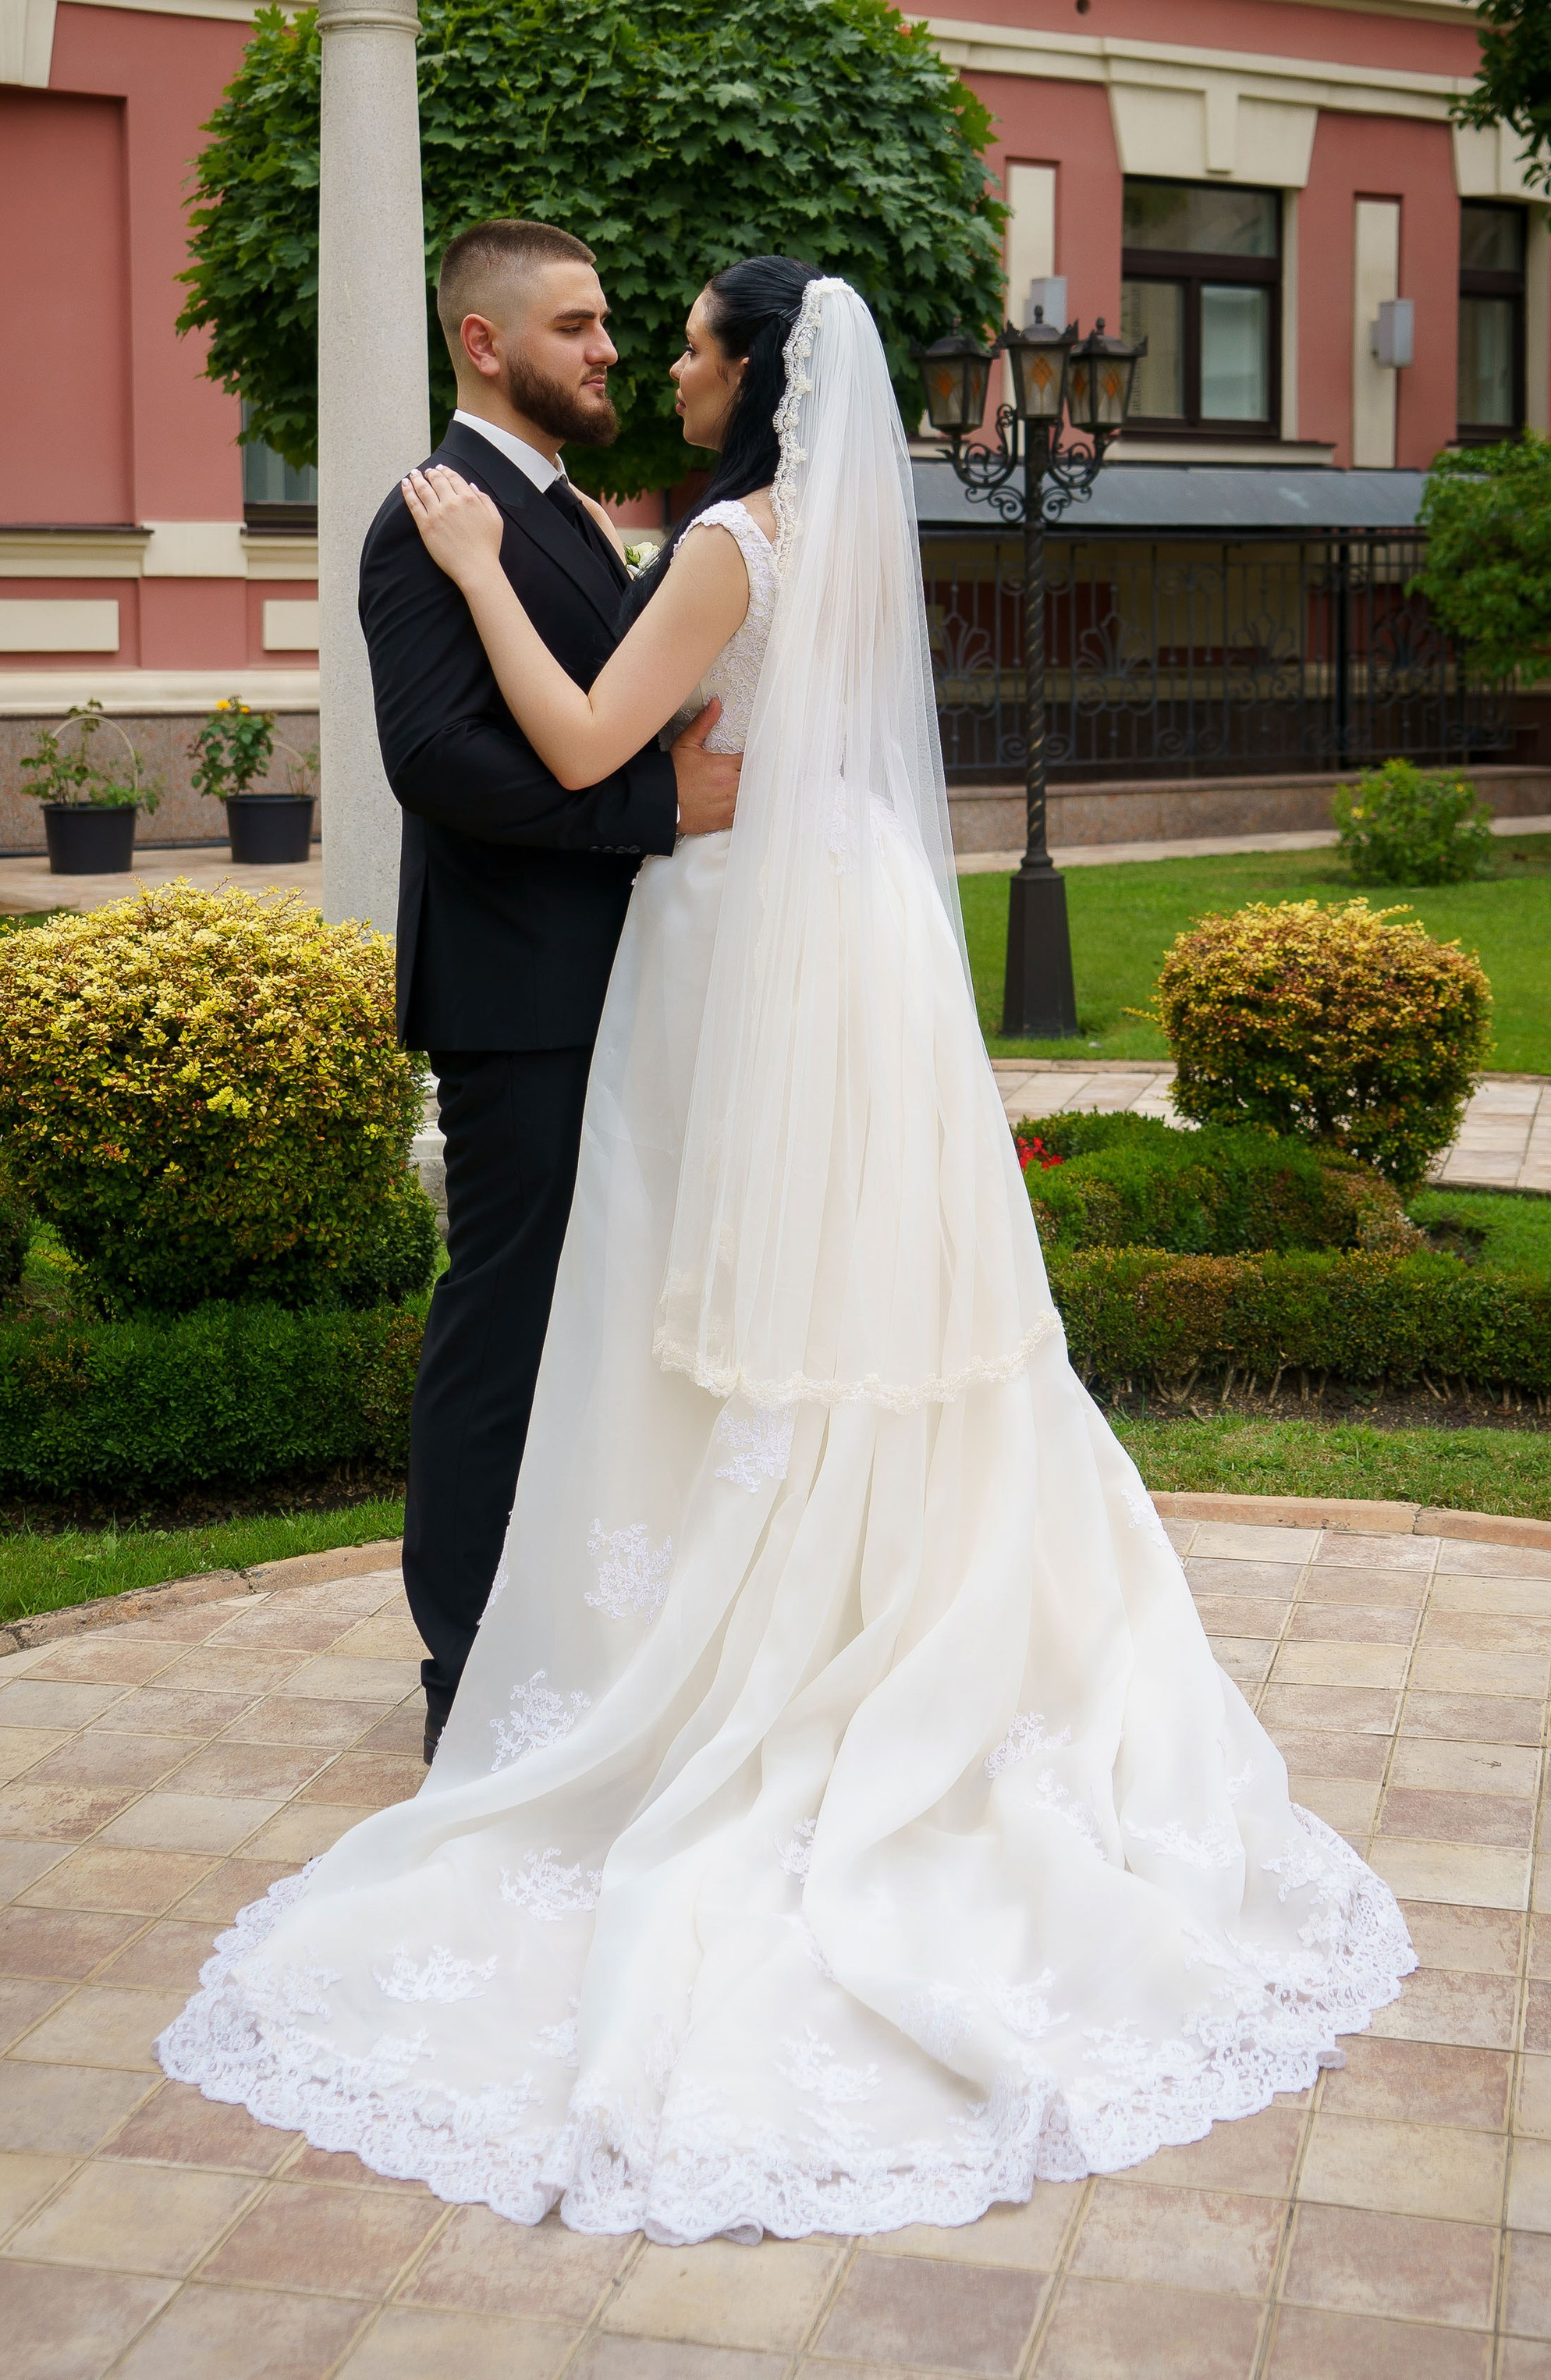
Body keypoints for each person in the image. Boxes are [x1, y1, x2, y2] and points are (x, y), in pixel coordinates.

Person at [161, 268, 1412, 2241]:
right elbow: (580, 758)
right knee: (827, 1302)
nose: (650, 362)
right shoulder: (806, 534)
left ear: (750, 378)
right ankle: (732, 1628)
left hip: (737, 946)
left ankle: (699, 1656)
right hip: (844, 947)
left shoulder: (720, 537)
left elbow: (578, 741)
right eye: (605, 329)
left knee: (710, 1296)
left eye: (673, 339)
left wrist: (496, 577)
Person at [354, 219, 740, 1764]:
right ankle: (461, 1664)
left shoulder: (569, 516)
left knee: (597, 1326)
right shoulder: (427, 520)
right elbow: (436, 761)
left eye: (609, 323)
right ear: (483, 343)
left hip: (613, 980)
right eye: (575, 326)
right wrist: (655, 810)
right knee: (502, 1326)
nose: (606, 350)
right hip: (516, 997)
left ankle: (572, 1630)